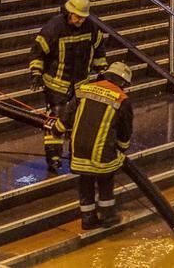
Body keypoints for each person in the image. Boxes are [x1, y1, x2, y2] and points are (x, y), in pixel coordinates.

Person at [29, 0, 109, 173]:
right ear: (69, 12)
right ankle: (54, 158)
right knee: (55, 121)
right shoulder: (54, 28)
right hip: (57, 85)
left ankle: (76, 155)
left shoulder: (92, 28)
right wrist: (35, 72)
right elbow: (38, 52)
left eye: (83, 17)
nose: (80, 20)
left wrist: (102, 71)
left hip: (81, 85)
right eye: (77, 17)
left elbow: (99, 50)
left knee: (78, 122)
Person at [54, 61, 134, 230]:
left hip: (79, 147)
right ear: (122, 82)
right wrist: (121, 149)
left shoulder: (85, 89)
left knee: (85, 181)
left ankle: (88, 219)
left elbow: (68, 113)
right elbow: (125, 130)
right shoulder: (122, 99)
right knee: (105, 181)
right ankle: (107, 217)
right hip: (102, 150)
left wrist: (57, 129)